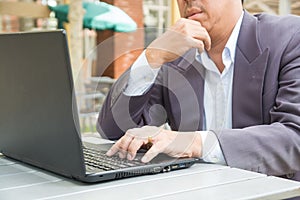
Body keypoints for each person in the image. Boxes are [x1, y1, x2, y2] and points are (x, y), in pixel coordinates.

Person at [97, 0, 300, 186]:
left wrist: (191, 143)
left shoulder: (290, 37)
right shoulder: (175, 58)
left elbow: (294, 138)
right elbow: (112, 131)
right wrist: (152, 56)